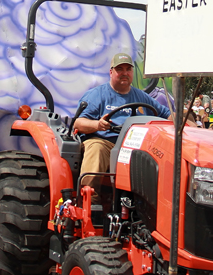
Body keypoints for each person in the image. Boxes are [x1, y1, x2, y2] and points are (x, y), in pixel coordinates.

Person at [73, 53, 172, 201]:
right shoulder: (97, 95)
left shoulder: (142, 97)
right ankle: (88, 200)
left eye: (128, 69)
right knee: (96, 148)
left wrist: (185, 121)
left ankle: (156, 202)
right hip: (106, 142)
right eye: (120, 69)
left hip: (135, 145)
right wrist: (97, 125)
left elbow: (167, 114)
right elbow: (78, 123)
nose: (124, 73)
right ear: (111, 72)